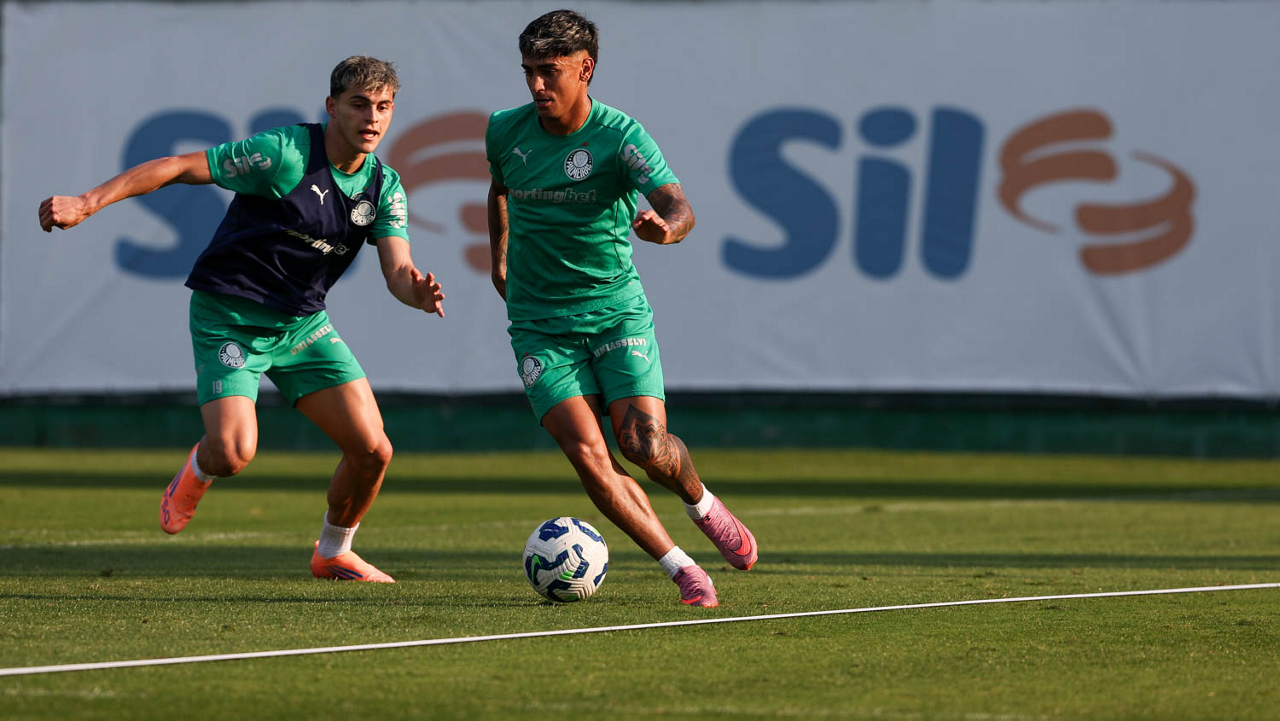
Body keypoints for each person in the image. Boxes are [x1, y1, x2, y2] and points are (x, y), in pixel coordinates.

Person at [38, 56, 444, 583]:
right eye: (359, 104)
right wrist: (88, 202)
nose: (373, 118)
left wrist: (416, 291)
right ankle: (201, 466)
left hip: (302, 326)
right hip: (229, 315)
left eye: (384, 107)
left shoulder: (384, 187)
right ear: (332, 108)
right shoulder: (285, 153)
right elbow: (181, 166)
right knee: (233, 454)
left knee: (373, 451)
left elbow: (398, 270)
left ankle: (333, 551)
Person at [485, 10, 757, 607]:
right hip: (538, 323)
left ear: (585, 69)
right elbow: (499, 188)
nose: (535, 86)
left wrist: (667, 229)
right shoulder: (504, 131)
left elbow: (678, 204)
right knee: (589, 454)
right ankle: (682, 569)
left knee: (641, 444)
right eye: (528, 72)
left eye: (549, 73)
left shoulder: (621, 137)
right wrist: (499, 254)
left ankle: (700, 500)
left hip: (613, 313)